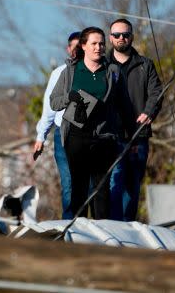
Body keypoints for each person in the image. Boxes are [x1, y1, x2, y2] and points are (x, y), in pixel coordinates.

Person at [49, 27, 131, 220]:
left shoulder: (112, 71)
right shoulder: (70, 71)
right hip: (76, 136)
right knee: (79, 188)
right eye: (94, 43)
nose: (98, 47)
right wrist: (69, 97)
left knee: (102, 189)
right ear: (83, 46)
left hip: (104, 137)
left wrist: (127, 133)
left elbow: (123, 104)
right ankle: (77, 232)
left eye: (102, 43)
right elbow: (54, 101)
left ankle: (100, 237)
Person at [107, 18, 163, 221]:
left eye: (125, 34)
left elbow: (157, 92)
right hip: (111, 136)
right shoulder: (103, 66)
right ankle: (113, 229)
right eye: (116, 35)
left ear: (132, 36)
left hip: (138, 136)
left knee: (132, 186)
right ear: (110, 37)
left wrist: (149, 111)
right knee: (114, 183)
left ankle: (128, 228)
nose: (121, 38)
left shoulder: (145, 65)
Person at [32, 31, 81, 219]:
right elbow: (49, 108)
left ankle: (89, 225)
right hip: (63, 134)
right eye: (73, 47)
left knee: (90, 183)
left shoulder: (96, 71)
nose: (76, 51)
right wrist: (40, 137)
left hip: (89, 135)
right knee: (68, 182)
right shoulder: (59, 73)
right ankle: (69, 224)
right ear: (68, 49)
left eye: (80, 46)